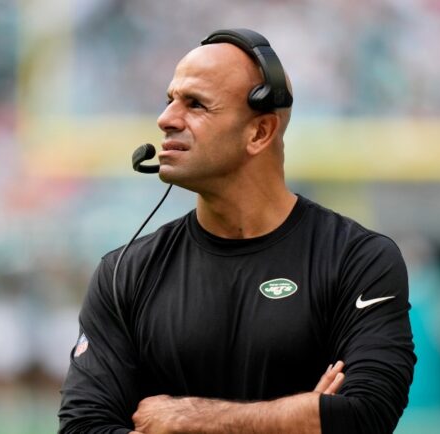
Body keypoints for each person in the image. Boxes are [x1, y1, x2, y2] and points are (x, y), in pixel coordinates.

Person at [59, 28, 416, 434]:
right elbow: (81, 428)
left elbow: (365, 416)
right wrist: (299, 418)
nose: (166, 119)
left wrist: (187, 420)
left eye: (195, 105)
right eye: (170, 99)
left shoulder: (358, 259)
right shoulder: (126, 270)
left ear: (259, 132)